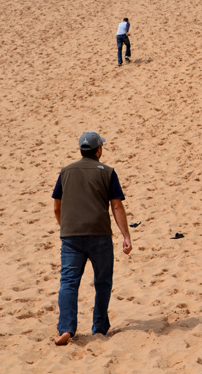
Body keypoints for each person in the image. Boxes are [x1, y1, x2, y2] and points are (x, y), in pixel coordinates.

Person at [51, 131, 132, 346]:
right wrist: (126, 235)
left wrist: (65, 226)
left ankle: (66, 328)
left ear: (80, 150)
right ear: (98, 150)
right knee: (102, 282)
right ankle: (100, 327)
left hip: (71, 236)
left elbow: (57, 207)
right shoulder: (107, 172)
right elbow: (116, 205)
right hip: (100, 235)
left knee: (68, 282)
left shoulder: (65, 172)